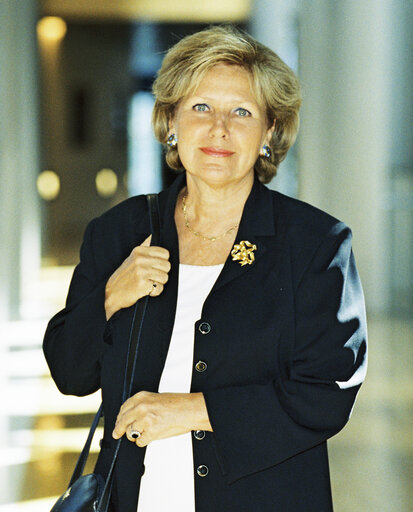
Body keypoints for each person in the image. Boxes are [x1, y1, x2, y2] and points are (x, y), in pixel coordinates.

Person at [43, 25, 367, 511]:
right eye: (200, 108)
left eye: (242, 112)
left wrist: (191, 410)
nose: (219, 129)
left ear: (270, 131)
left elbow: (327, 393)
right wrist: (111, 295)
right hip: (136, 497)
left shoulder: (316, 244)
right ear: (170, 121)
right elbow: (70, 371)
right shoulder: (119, 232)